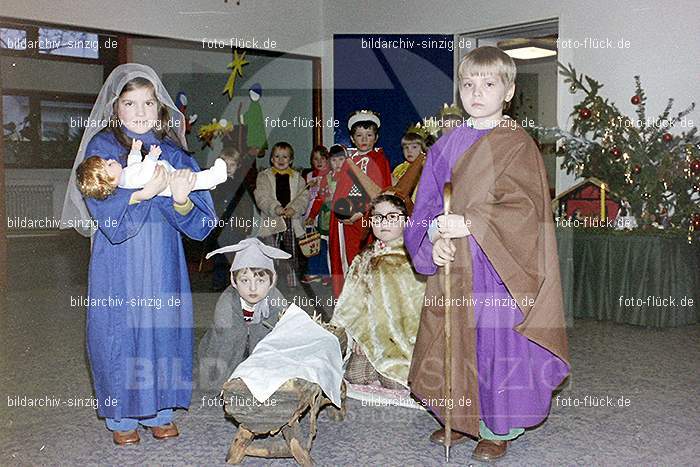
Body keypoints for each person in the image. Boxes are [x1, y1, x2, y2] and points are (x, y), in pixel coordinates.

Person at [404, 46, 570, 461]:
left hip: (498, 267)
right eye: (468, 84)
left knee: (494, 345)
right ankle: (459, 419)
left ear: (508, 90)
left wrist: (473, 221)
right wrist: (432, 238)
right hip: (455, 265)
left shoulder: (518, 145)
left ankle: (497, 426)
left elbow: (527, 209)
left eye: (489, 84)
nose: (476, 93)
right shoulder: (445, 145)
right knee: (452, 338)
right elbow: (425, 206)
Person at [60, 64, 217, 446]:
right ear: (117, 108)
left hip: (163, 256)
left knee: (162, 325)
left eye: (149, 102)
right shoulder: (102, 149)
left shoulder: (176, 153)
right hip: (120, 257)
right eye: (131, 103)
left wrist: (180, 202)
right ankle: (122, 416)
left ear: (160, 108)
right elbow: (103, 208)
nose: (141, 111)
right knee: (119, 329)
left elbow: (202, 222)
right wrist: (142, 194)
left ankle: (161, 410)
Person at [332, 192, 425, 390]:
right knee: (355, 377)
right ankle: (372, 359)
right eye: (378, 217)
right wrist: (359, 335)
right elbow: (354, 301)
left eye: (392, 217)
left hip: (402, 340)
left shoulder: (414, 259)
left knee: (395, 382)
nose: (384, 222)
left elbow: (416, 307)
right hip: (371, 334)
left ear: (406, 220)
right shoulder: (364, 258)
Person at [198, 238, 290, 392]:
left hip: (258, 351)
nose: (252, 288)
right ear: (234, 281)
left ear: (272, 281)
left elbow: (281, 340)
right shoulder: (227, 303)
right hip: (228, 352)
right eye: (245, 280)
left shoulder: (277, 302)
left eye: (260, 280)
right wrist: (221, 384)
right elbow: (224, 347)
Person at [328, 110, 392, 297]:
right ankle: (347, 299)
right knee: (347, 257)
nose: (364, 139)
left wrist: (362, 213)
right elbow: (341, 188)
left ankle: (367, 299)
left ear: (376, 137)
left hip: (367, 218)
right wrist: (341, 214)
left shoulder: (380, 159)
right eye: (359, 135)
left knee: (365, 257)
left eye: (369, 135)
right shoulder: (349, 161)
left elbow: (380, 192)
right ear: (352, 139)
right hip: (346, 220)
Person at [76, 138, 227, 199]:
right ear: (111, 180)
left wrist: (135, 151)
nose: (111, 159)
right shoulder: (128, 180)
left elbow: (134, 166)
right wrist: (151, 157)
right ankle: (216, 177)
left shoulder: (124, 177)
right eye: (109, 164)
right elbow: (144, 174)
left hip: (166, 174)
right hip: (167, 183)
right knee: (192, 180)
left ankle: (210, 182)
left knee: (193, 179)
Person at [253, 142, 308, 288]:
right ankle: (270, 283)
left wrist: (294, 209)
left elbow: (304, 197)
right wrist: (275, 208)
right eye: (277, 156)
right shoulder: (263, 176)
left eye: (285, 157)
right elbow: (262, 197)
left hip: (291, 219)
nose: (281, 160)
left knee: (292, 253)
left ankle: (292, 282)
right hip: (272, 219)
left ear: (290, 160)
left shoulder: (298, 178)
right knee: (271, 252)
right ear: (271, 159)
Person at [302, 145, 331, 283]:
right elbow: (303, 196)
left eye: (323, 158)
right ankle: (313, 271)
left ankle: (325, 272)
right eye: (315, 159)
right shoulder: (308, 176)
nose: (319, 162)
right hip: (310, 214)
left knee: (324, 245)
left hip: (324, 216)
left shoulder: (331, 175)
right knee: (312, 244)